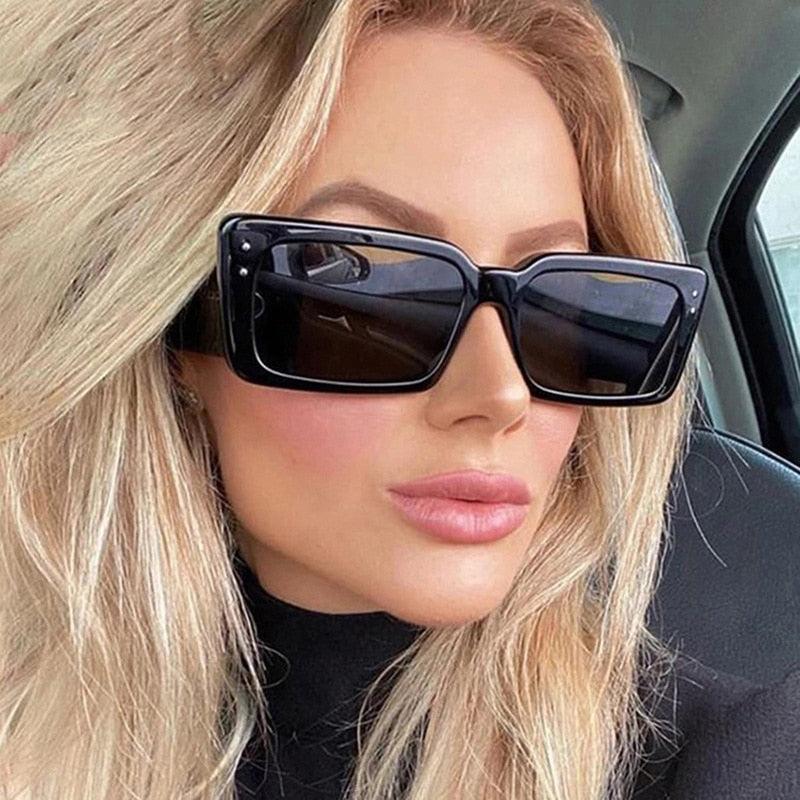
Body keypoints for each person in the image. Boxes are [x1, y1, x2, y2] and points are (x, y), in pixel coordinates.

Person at [0, 1, 797, 798]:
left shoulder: (739, 761)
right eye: (363, 296)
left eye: (562, 306)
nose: (502, 394)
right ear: (166, 328)